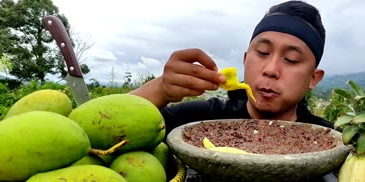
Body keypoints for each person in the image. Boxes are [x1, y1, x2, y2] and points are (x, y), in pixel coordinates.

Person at [130, 0, 333, 136]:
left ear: (313, 79)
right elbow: (106, 127)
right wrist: (161, 89)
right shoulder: (198, 121)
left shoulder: (331, 140)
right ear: (245, 59)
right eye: (262, 52)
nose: (270, 69)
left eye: (291, 59)